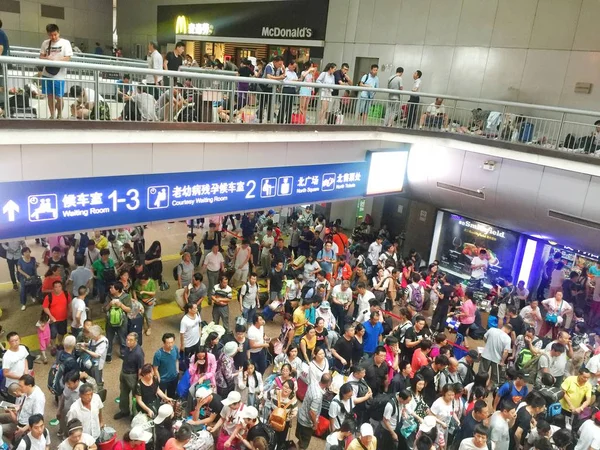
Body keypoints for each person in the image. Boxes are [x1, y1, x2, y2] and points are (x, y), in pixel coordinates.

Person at [39, 24, 73, 119]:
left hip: (59, 75)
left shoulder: (65, 43)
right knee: (49, 96)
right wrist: (47, 58)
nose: (53, 37)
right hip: (47, 73)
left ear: (58, 33)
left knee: (59, 97)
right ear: (47, 34)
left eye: (55, 35)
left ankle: (59, 114)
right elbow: (41, 57)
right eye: (51, 35)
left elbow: (68, 57)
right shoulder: (45, 43)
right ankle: (52, 115)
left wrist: (56, 61)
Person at [296, 373, 332, 450]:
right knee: (304, 443)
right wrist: (315, 424)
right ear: (328, 383)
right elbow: (312, 412)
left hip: (301, 414)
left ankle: (298, 445)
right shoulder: (317, 396)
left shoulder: (313, 383)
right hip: (306, 422)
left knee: (300, 438)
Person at [114, 333, 144, 420]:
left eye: (131, 340)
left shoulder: (139, 353)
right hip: (124, 373)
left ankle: (134, 415)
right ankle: (124, 411)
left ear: (136, 341)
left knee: (135, 397)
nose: (128, 341)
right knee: (123, 393)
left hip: (132, 376)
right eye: (127, 339)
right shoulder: (126, 348)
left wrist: (139, 381)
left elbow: (140, 368)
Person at [104, 281, 131, 362]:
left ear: (117, 289)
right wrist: (109, 304)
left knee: (123, 338)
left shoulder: (126, 297)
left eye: (112, 288)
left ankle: (123, 353)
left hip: (122, 321)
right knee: (109, 338)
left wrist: (121, 305)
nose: (110, 289)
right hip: (110, 321)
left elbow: (129, 309)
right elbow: (104, 309)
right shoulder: (109, 297)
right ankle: (108, 354)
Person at [480, 324, 512, 388]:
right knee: (494, 377)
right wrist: (502, 361)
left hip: (486, 355)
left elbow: (484, 338)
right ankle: (488, 388)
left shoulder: (492, 330)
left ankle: (480, 386)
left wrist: (488, 344)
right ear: (508, 330)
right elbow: (506, 351)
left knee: (482, 373)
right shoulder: (507, 338)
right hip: (497, 359)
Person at [42, 280, 70, 349]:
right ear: (53, 288)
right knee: (53, 334)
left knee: (62, 332)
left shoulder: (66, 294)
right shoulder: (49, 297)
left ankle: (60, 343)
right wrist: (50, 316)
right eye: (56, 287)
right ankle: (53, 346)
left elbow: (69, 303)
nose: (58, 288)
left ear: (62, 287)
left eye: (59, 286)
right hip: (53, 320)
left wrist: (70, 313)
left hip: (63, 318)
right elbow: (45, 307)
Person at [153, 333, 179, 398]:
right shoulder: (158, 354)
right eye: (168, 343)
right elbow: (155, 368)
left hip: (174, 378)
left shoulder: (175, 348)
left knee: (171, 395)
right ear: (164, 343)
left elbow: (177, 360)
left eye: (172, 342)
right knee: (161, 398)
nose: (170, 345)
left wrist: (177, 370)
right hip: (163, 380)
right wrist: (159, 379)